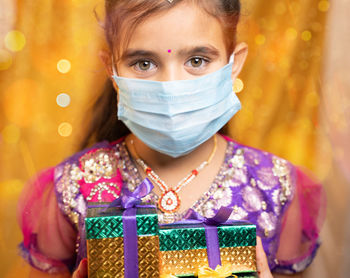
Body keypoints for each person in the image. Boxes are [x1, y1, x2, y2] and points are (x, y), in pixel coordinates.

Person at [17, 0, 326, 277]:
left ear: (235, 65)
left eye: (197, 60)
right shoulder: (71, 185)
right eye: (143, 63)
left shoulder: (276, 186)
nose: (170, 85)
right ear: (112, 70)